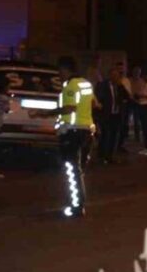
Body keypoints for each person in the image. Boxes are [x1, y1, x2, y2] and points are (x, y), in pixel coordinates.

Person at [29, 56, 98, 218]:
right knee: (78, 170)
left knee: (71, 169)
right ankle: (78, 204)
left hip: (72, 132)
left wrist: (43, 113)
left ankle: (76, 207)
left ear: (66, 69)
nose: (59, 75)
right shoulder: (85, 84)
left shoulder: (70, 86)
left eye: (60, 71)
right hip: (86, 131)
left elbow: (68, 108)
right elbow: (95, 104)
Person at [94, 65, 128, 164]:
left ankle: (109, 156)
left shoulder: (119, 86)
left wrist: (121, 85)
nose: (115, 78)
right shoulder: (102, 85)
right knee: (105, 135)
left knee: (113, 136)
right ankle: (102, 156)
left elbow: (126, 96)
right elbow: (98, 98)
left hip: (116, 114)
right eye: (114, 75)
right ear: (109, 76)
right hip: (105, 115)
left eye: (117, 76)